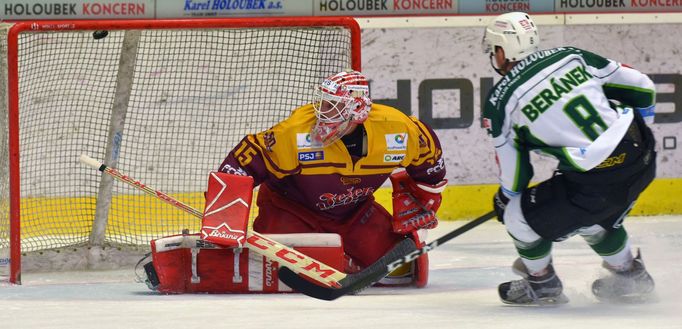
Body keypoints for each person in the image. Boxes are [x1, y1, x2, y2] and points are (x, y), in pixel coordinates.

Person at [481, 12, 657, 305]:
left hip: (595, 180)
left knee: (516, 217)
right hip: (642, 156)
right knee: (592, 215)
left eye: (493, 50)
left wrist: (505, 198)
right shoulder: (570, 55)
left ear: (501, 50)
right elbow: (642, 86)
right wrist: (627, 138)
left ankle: (542, 283)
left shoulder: (500, 102)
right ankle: (630, 277)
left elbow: (516, 176)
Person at [218, 70, 447, 286]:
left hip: (354, 213)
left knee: (404, 270)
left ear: (357, 109)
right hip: (290, 210)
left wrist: (426, 199)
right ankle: (339, 261)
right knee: (274, 273)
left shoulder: (396, 129)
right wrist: (225, 213)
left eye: (332, 106)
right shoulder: (295, 133)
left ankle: (345, 259)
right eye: (323, 102)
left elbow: (428, 158)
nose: (321, 111)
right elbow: (243, 162)